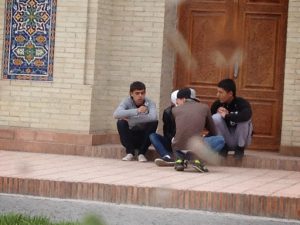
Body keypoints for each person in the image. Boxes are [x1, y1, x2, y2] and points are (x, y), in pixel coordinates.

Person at [172, 88, 225, 172]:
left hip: (178, 147)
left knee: (178, 140)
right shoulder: (204, 107)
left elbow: (177, 131)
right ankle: (198, 161)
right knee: (220, 139)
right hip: (195, 147)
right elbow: (213, 130)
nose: (176, 103)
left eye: (177, 101)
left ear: (184, 99)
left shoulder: (174, 110)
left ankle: (179, 161)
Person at [113, 81, 158, 162]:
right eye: (137, 93)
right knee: (121, 122)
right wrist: (137, 111)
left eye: (142, 93)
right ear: (131, 94)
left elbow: (153, 117)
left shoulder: (150, 103)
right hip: (130, 137)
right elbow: (116, 114)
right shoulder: (126, 101)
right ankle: (130, 152)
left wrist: (130, 120)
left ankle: (142, 153)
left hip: (144, 137)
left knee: (154, 122)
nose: (140, 96)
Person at [211, 78, 253, 159]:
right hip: (226, 139)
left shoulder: (241, 103)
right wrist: (217, 112)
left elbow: (247, 115)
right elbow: (209, 123)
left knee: (244, 120)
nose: (217, 95)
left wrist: (227, 116)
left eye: (220, 92)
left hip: (241, 139)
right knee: (215, 117)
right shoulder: (217, 104)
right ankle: (223, 147)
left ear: (230, 93)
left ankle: (240, 148)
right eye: (217, 92)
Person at [149, 90, 178, 166]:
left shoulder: (188, 112)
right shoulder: (168, 112)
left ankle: (181, 158)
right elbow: (167, 131)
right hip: (171, 141)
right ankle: (166, 156)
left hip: (183, 143)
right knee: (153, 136)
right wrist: (172, 138)